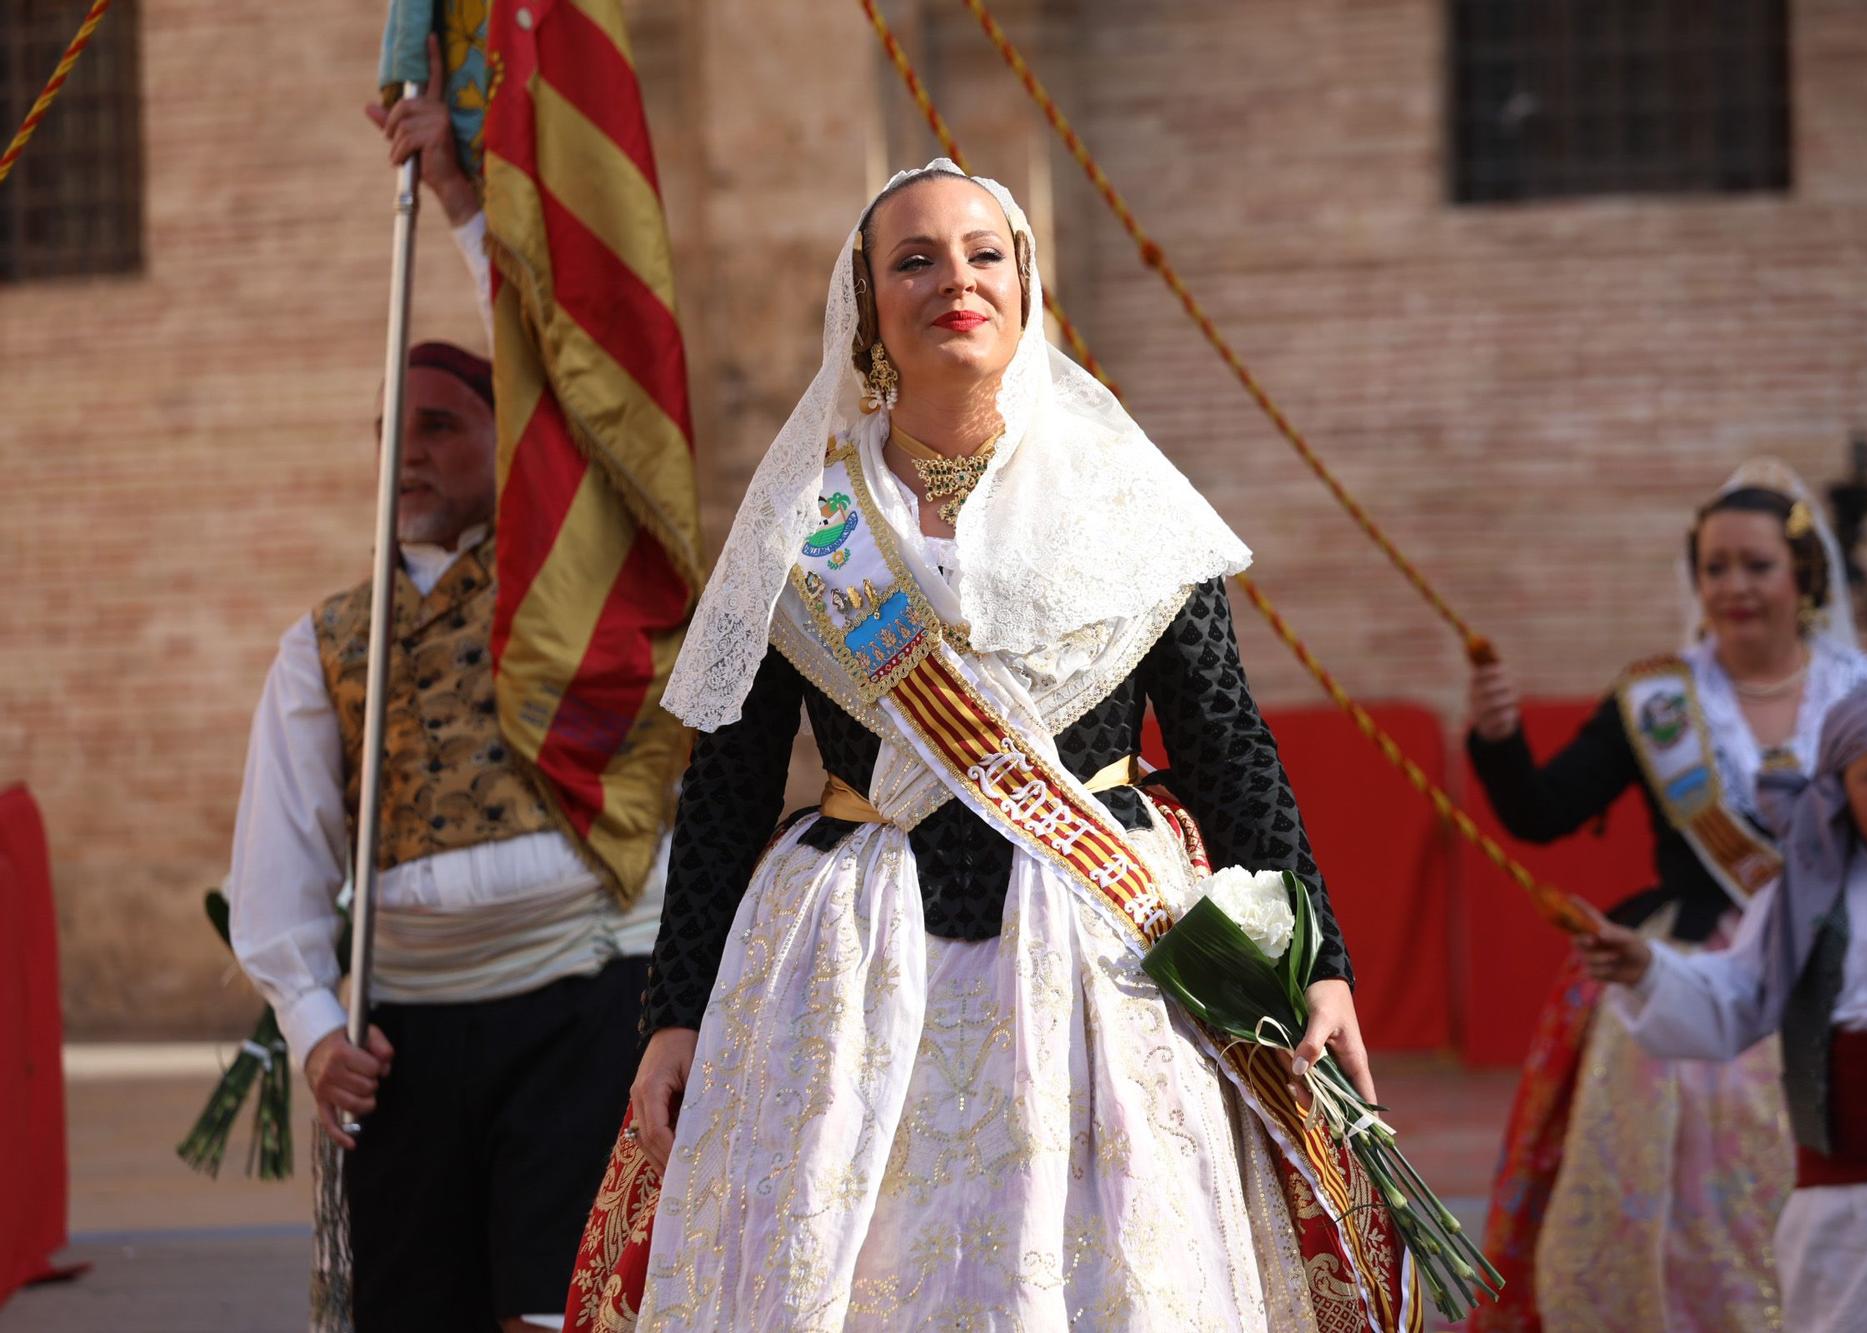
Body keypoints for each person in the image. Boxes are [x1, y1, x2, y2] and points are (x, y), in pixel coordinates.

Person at [573, 160, 1413, 1331]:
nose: (951, 281)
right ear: (866, 307)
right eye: (911, 259)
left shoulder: (1128, 501)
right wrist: (675, 1011)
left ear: (1024, 283)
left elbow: (1225, 743)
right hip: (850, 967)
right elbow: (727, 784)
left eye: (982, 253)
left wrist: (1318, 961)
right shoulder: (803, 527)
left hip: (1096, 962)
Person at [224, 61, 665, 1333]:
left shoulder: (566, 577)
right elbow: (282, 859)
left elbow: (564, 385)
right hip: (409, 1036)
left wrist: (463, 201)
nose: (413, 451)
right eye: (394, 431)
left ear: (502, 445)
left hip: (579, 1007)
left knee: (557, 1307)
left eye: (446, 427)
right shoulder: (326, 641)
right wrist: (315, 1029)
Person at [1463, 461, 1867, 1332]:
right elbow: (1542, 813)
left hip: (1832, 978)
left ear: (1803, 575)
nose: (1733, 586)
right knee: (1672, 1202)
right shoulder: (1657, 699)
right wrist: (1499, 739)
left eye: (1756, 565)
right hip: (1678, 978)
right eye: (1714, 566)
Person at [1578, 678, 1867, 1331]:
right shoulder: (1801, 892)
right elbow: (1733, 994)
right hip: (1838, 1189)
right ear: (1838, 788)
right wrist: (1649, 968)